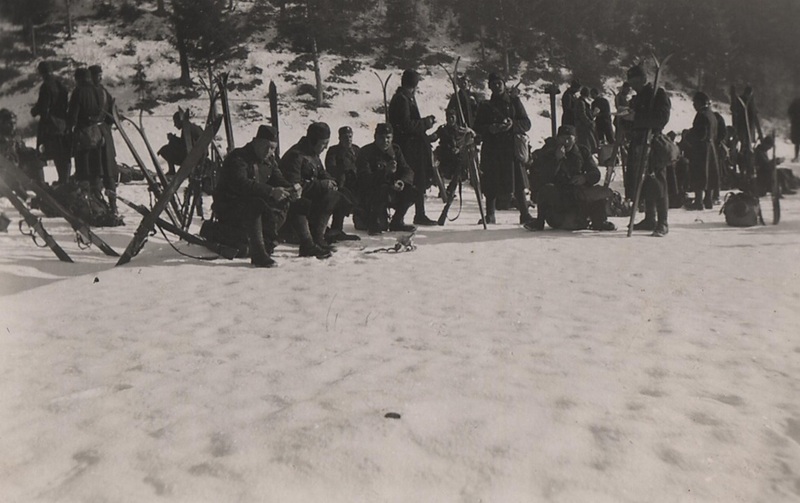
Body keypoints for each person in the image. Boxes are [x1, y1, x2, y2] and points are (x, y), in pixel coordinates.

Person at [213, 125, 295, 267]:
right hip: (229, 207)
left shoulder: (269, 160)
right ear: (256, 142)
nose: (271, 152)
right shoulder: (238, 158)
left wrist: (291, 188)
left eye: (274, 148)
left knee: (287, 201)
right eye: (268, 147)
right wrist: (270, 191)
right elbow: (240, 184)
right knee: (255, 204)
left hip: (253, 206)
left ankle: (273, 240)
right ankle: (258, 255)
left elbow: (278, 178)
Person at [523, 125, 615, 232]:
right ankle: (539, 222)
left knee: (598, 192)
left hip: (578, 196)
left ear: (575, 139)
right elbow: (541, 178)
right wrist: (556, 160)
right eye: (563, 138)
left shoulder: (582, 152)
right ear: (558, 139)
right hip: (559, 200)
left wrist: (584, 178)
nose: (566, 142)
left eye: (569, 138)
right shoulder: (547, 152)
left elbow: (595, 174)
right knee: (546, 189)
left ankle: (599, 221)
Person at [278, 122, 347, 259]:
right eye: (323, 143)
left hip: (310, 202)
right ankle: (312, 238)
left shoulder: (312, 154)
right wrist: (322, 185)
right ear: (313, 141)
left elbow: (322, 173)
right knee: (327, 196)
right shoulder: (296, 156)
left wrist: (331, 181)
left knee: (337, 194)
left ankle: (321, 235)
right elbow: (293, 186)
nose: (326, 147)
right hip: (296, 207)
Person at [473, 72, 534, 225]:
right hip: (493, 149)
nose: (497, 86)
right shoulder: (485, 106)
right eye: (493, 84)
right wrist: (490, 128)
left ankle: (525, 214)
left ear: (504, 84)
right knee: (490, 183)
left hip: (510, 148)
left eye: (499, 83)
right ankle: (490, 215)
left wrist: (513, 124)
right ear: (489, 86)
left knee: (518, 183)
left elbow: (526, 123)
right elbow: (476, 128)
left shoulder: (514, 102)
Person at [626, 64, 672, 237]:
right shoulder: (636, 98)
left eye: (636, 82)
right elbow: (631, 122)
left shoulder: (657, 95)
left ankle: (663, 222)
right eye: (631, 83)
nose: (633, 86)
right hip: (638, 143)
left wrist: (636, 118)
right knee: (643, 182)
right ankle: (649, 218)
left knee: (658, 182)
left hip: (653, 143)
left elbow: (661, 119)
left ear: (643, 79)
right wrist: (625, 119)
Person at [388, 69, 438, 226]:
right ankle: (403, 217)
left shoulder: (404, 97)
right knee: (412, 181)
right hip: (408, 148)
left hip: (412, 147)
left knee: (418, 180)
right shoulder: (403, 99)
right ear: (414, 84)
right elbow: (406, 125)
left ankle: (419, 214)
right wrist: (426, 123)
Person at [356, 123, 417, 235]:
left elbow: (408, 171)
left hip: (391, 191)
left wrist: (401, 182)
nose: (385, 141)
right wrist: (385, 172)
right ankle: (373, 222)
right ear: (375, 137)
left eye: (388, 137)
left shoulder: (395, 150)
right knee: (381, 226)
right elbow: (364, 179)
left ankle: (397, 221)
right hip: (372, 194)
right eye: (381, 138)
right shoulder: (366, 152)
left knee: (413, 191)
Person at [67, 67, 105, 198]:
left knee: (83, 168)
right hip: (96, 133)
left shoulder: (78, 92)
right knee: (95, 168)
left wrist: (69, 127)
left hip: (83, 135)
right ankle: (98, 194)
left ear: (78, 79)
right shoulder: (98, 90)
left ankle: (86, 198)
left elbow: (73, 116)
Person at [31, 61, 71, 184]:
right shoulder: (60, 85)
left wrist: (34, 111)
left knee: (50, 154)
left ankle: (57, 182)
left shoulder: (46, 86)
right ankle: (66, 179)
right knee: (64, 154)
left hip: (51, 126)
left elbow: (43, 107)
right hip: (63, 124)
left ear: (41, 73)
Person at [89, 65, 119, 215]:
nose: (99, 78)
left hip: (93, 136)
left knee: (94, 171)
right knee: (108, 172)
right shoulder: (105, 92)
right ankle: (113, 206)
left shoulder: (87, 92)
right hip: (106, 135)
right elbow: (112, 115)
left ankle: (98, 205)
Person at [323, 126, 361, 241]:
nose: (348, 139)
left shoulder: (357, 150)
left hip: (357, 184)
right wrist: (346, 170)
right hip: (342, 184)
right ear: (339, 138)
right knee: (341, 197)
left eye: (350, 136)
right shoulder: (333, 151)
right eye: (345, 137)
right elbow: (331, 168)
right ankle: (337, 228)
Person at [685, 92, 719, 210]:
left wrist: (688, 136)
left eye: (695, 102)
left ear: (700, 103)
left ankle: (698, 202)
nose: (694, 105)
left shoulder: (701, 115)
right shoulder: (712, 115)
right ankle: (708, 200)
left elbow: (700, 133)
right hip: (711, 147)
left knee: (699, 173)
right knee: (709, 173)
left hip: (701, 149)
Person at [158, 109, 204, 176]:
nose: (175, 125)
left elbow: (185, 147)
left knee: (166, 150)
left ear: (180, 121)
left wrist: (172, 139)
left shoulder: (187, 129)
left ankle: (172, 171)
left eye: (175, 122)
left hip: (192, 158)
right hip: (199, 157)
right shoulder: (193, 127)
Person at [574, 86, 598, 153]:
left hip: (581, 125)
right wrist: (589, 122)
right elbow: (582, 115)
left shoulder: (580, 101)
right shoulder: (581, 102)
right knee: (586, 143)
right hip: (583, 126)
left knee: (586, 142)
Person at [788, 97, 800, 163]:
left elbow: (789, 111)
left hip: (796, 124)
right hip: (796, 125)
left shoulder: (795, 101)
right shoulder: (796, 102)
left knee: (797, 142)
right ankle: (796, 157)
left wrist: (792, 119)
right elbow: (789, 111)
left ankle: (796, 157)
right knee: (797, 142)